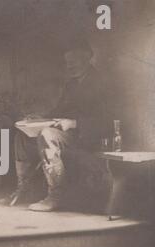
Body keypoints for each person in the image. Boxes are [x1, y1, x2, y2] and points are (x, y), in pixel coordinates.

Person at [8, 41, 113, 212]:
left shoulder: (102, 82)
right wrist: (41, 118)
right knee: (21, 135)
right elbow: (59, 110)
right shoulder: (71, 85)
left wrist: (74, 123)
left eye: (74, 60)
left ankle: (56, 196)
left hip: (90, 137)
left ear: (87, 58)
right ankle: (24, 189)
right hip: (70, 136)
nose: (70, 65)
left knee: (47, 134)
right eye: (67, 62)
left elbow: (109, 120)